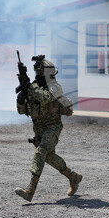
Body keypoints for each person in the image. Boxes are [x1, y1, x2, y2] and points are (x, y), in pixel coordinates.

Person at [14, 56, 82, 202]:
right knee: (49, 157)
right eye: (36, 72)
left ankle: (30, 191)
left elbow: (43, 98)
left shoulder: (55, 87)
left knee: (40, 152)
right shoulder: (34, 87)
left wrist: (28, 86)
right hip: (39, 129)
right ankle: (73, 177)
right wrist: (20, 100)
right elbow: (23, 111)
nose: (37, 75)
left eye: (40, 72)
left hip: (53, 127)